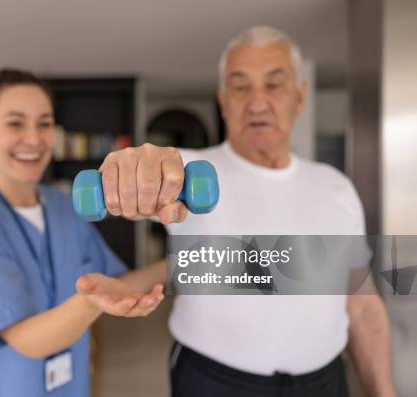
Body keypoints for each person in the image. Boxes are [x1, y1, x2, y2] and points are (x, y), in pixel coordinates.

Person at [92, 26, 396, 396]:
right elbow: (157, 168)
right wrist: (140, 166)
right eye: (240, 86)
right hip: (214, 381)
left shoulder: (336, 186)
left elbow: (362, 305)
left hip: (325, 382)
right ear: (223, 101)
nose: (256, 102)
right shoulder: (190, 171)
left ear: (299, 97)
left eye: (274, 84)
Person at [0, 69, 165, 397]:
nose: (34, 138)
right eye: (15, 123)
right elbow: (28, 339)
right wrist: (91, 302)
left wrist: (196, 260)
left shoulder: (65, 206)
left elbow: (117, 284)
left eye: (44, 123)